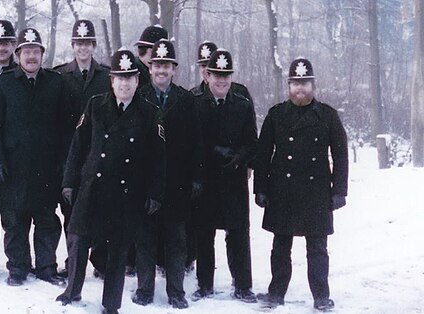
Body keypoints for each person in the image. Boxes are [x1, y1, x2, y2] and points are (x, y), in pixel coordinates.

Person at [55, 49, 166, 314]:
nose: (124, 84)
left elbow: (158, 158)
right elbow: (78, 146)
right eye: (119, 78)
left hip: (127, 193)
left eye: (130, 78)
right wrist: (69, 181)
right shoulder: (95, 105)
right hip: (93, 187)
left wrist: (155, 193)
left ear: (138, 81)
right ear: (111, 81)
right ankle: (72, 290)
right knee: (78, 241)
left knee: (117, 250)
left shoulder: (149, 113)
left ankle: (111, 304)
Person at [253, 58, 348, 312]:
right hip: (282, 191)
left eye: (305, 83)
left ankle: (321, 296)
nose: (300, 89)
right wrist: (260, 188)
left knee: (317, 248)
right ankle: (276, 293)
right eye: (295, 83)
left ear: (313, 85)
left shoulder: (327, 115)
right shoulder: (276, 114)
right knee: (280, 247)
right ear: (288, 86)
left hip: (316, 192)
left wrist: (339, 191)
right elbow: (263, 155)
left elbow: (340, 154)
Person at [0, 27, 70, 287]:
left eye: (36, 51)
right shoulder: (4, 83)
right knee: (14, 222)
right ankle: (18, 268)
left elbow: (67, 127)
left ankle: (46, 267)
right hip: (13, 168)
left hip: (46, 168)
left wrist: (64, 164)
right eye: (26, 51)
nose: (31, 56)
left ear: (42, 54)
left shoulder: (56, 83)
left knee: (47, 220)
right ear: (18, 54)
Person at [132, 39, 203, 309]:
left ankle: (176, 292)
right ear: (149, 68)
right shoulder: (140, 98)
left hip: (177, 183)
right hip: (146, 183)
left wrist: (197, 177)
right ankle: (144, 289)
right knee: (145, 239)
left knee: (176, 240)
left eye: (166, 66)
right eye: (157, 65)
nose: (161, 70)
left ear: (174, 69)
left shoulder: (185, 100)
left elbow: (197, 142)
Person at [193, 49, 258, 303]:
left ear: (232, 77)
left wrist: (239, 156)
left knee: (239, 234)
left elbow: (253, 142)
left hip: (233, 180)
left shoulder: (242, 104)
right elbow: (189, 142)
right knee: (204, 233)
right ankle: (205, 285)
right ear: (207, 75)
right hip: (205, 180)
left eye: (226, 76)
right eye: (216, 75)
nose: (221, 81)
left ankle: (242, 285)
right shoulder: (194, 102)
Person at [53, 19, 111, 279]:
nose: (83, 49)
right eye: (79, 43)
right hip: (68, 154)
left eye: (87, 43)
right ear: (73, 45)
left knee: (99, 207)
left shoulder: (107, 76)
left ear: (93, 46)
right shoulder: (60, 75)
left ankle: (100, 260)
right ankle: (73, 260)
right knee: (70, 209)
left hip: (98, 153)